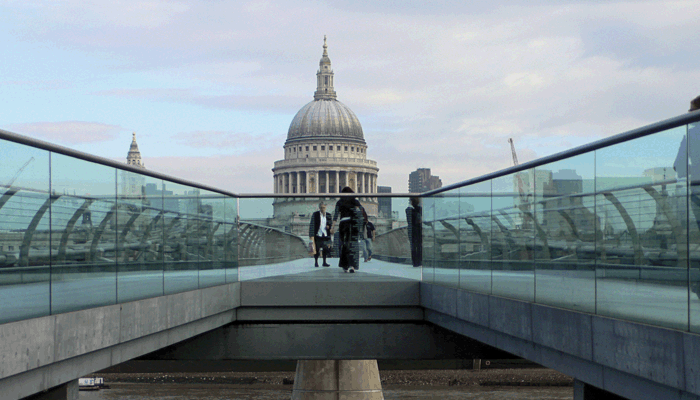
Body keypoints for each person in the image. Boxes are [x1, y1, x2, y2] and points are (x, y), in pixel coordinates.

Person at [333, 186, 363, 273]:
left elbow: (336, 215)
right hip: (353, 224)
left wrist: (332, 226)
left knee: (345, 245)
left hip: (343, 224)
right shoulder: (355, 201)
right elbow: (361, 211)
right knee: (353, 245)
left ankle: (345, 265)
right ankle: (352, 266)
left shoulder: (340, 202)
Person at [309, 202, 333, 267]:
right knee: (317, 249)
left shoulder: (328, 215)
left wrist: (329, 226)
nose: (322, 209)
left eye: (324, 208)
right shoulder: (315, 214)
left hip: (325, 235)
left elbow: (330, 223)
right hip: (317, 235)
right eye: (321, 208)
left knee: (325, 249)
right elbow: (312, 224)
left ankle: (324, 262)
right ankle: (316, 262)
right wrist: (311, 235)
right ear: (319, 208)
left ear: (326, 208)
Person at [406, 197, 422, 268]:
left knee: (414, 247)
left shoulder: (409, 210)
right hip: (418, 230)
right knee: (418, 246)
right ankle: (418, 262)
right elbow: (419, 219)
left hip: (412, 230)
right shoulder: (418, 210)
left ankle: (415, 262)